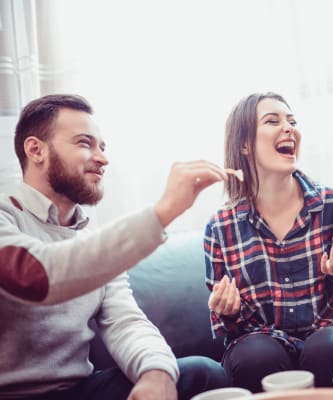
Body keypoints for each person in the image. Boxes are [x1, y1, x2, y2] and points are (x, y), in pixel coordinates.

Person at [0, 94, 230, 400]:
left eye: (103, 147)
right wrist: (162, 212)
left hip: (78, 391)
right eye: (85, 143)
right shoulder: (4, 220)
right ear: (36, 150)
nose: (103, 158)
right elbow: (38, 274)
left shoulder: (93, 241)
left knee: (203, 374)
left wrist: (156, 374)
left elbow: (123, 320)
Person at [204, 92, 333, 392]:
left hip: (331, 331)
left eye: (292, 121)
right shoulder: (221, 227)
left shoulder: (332, 204)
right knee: (255, 356)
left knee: (325, 348)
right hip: (260, 342)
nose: (289, 128)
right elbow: (227, 324)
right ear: (244, 144)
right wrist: (229, 310)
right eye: (273, 121)